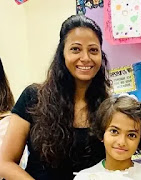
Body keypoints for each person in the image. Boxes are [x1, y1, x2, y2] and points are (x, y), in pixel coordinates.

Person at [0, 15, 111, 180]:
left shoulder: (108, 106)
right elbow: (5, 163)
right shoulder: (33, 97)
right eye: (76, 49)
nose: (86, 58)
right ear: (62, 53)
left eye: (93, 50)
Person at [74, 95, 141, 180]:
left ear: (140, 139)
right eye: (114, 131)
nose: (121, 142)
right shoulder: (85, 177)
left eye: (131, 135)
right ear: (102, 133)